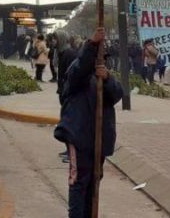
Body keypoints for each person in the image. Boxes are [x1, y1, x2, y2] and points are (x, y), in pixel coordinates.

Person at [54, 28, 123, 218]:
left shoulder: (103, 76)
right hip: (79, 135)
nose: (100, 60)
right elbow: (80, 67)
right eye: (97, 55)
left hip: (99, 138)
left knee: (94, 179)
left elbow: (117, 94)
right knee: (79, 181)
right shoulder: (77, 72)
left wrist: (107, 78)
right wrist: (92, 44)